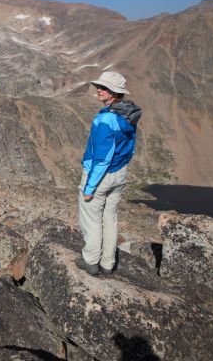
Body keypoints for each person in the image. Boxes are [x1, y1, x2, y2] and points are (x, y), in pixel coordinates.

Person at [76, 71, 141, 276]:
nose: (99, 90)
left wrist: (90, 187)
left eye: (104, 88)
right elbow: (128, 146)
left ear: (114, 94)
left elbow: (102, 157)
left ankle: (91, 262)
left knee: (92, 219)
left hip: (101, 176)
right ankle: (107, 263)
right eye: (99, 86)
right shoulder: (128, 114)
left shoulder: (106, 119)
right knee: (110, 219)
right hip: (120, 173)